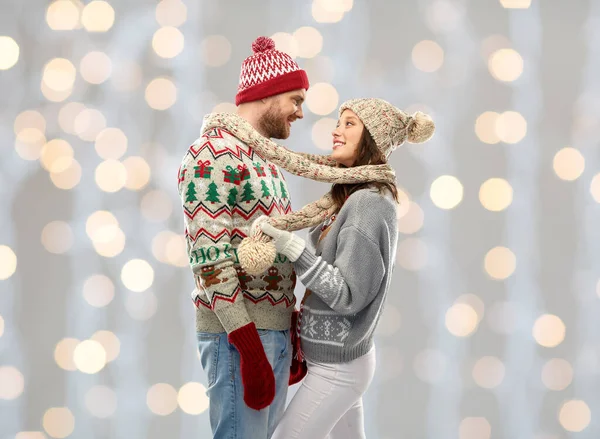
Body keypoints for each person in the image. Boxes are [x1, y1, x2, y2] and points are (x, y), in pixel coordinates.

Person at [252, 98, 435, 439]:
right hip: (336, 360)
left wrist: (292, 248)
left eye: (349, 123)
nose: (336, 131)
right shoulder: (351, 194)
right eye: (339, 122)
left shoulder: (368, 204)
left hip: (338, 369)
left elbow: (347, 294)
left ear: (373, 139)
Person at [177, 36, 310, 439]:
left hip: (269, 333)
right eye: (296, 100)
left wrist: (286, 327)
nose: (300, 113)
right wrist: (248, 344)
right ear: (267, 95)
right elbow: (209, 259)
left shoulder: (264, 160)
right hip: (239, 337)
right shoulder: (211, 155)